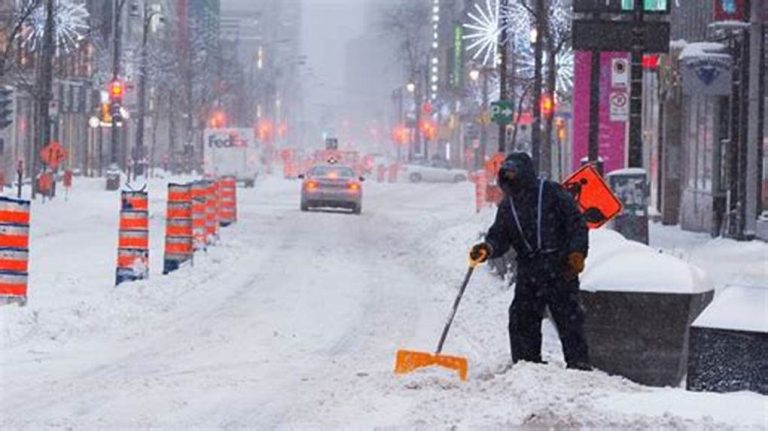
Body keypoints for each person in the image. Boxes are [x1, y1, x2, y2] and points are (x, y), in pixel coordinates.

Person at [470, 152, 592, 370]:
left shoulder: (552, 192)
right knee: (521, 317)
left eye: (513, 175)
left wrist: (577, 253)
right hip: (529, 268)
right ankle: (527, 365)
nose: (510, 180)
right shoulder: (508, 205)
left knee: (568, 317)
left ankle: (578, 364)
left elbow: (576, 224)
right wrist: (487, 248)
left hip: (560, 266)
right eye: (506, 176)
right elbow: (500, 235)